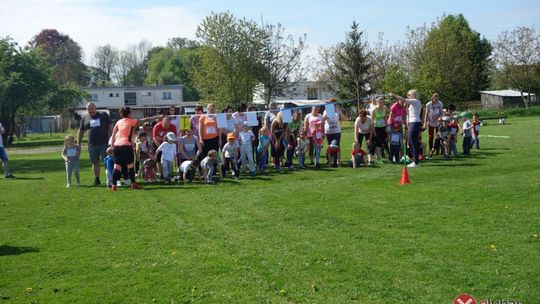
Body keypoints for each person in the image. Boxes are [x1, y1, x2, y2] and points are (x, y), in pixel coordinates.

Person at [108, 107, 159, 191]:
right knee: (130, 166)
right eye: (131, 113)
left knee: (117, 166)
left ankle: (113, 185)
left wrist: (112, 146)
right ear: (129, 113)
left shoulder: (118, 122)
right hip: (126, 145)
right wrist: (158, 117)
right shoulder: (132, 121)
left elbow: (113, 135)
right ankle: (133, 184)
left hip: (117, 146)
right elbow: (146, 119)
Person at [77, 102, 112, 185]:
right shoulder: (84, 118)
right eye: (88, 109)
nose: (90, 110)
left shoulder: (103, 115)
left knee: (107, 161)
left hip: (104, 143)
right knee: (94, 162)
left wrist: (112, 140)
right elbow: (81, 131)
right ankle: (97, 179)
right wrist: (79, 143)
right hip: (92, 145)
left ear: (95, 108)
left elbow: (110, 126)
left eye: (92, 108)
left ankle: (110, 179)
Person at [391, 90, 423, 168]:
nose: (408, 96)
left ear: (414, 95)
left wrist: (395, 96)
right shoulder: (412, 103)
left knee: (413, 143)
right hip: (412, 123)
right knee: (410, 143)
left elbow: (404, 100)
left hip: (415, 123)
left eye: (409, 94)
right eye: (407, 94)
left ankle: (416, 162)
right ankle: (415, 160)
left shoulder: (415, 101)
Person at [370, 97, 388, 164]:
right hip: (376, 128)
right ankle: (379, 159)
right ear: (377, 102)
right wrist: (374, 131)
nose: (381, 103)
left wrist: (387, 125)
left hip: (383, 127)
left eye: (383, 102)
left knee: (381, 142)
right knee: (377, 143)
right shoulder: (374, 109)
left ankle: (378, 157)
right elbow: (371, 121)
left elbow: (385, 117)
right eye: (380, 102)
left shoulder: (385, 108)